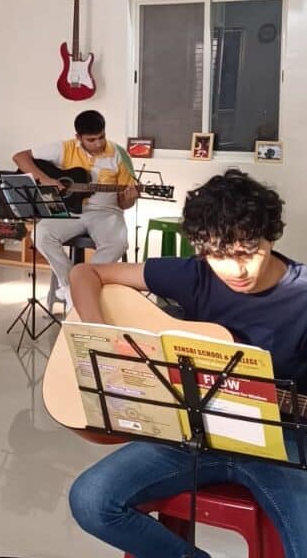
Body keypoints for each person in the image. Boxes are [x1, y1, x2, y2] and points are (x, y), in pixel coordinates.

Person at [67, 169, 307, 558]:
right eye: (218, 256)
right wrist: (101, 337)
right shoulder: (195, 276)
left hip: (278, 445)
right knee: (91, 500)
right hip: (196, 435)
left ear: (271, 235)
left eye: (249, 253)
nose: (236, 270)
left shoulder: (301, 297)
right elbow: (86, 272)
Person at [12, 109, 137, 310]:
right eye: (91, 139)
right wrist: (46, 180)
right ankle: (71, 286)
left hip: (107, 212)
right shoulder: (64, 148)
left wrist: (129, 199)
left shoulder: (119, 155)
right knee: (41, 234)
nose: (98, 144)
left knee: (118, 243)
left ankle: (84, 285)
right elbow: (20, 157)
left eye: (101, 137)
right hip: (71, 210)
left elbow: (124, 204)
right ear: (78, 138)